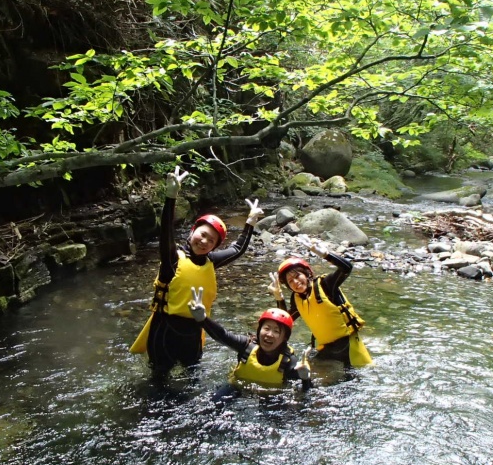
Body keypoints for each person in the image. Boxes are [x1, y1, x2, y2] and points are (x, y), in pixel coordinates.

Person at [130, 166, 264, 381]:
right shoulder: (172, 259)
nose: (204, 242)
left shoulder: (211, 261)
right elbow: (166, 233)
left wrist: (250, 222)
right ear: (192, 232)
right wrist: (170, 197)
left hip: (194, 332)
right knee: (159, 380)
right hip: (164, 331)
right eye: (202, 235)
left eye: (211, 241)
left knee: (192, 377)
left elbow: (238, 249)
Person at [269, 237, 373, 368]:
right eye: (290, 281)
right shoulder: (297, 298)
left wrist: (326, 254)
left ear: (307, 274)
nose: (295, 282)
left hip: (348, 345)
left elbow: (346, 268)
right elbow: (284, 321)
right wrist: (279, 297)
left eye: (297, 276)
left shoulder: (325, 285)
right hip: (326, 348)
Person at [187, 286, 312, 391]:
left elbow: (306, 397)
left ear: (285, 338)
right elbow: (223, 335)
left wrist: (306, 380)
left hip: (270, 397)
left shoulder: (290, 363)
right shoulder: (246, 345)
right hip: (237, 388)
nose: (269, 334)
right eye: (266, 328)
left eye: (276, 331)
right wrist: (203, 319)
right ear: (259, 331)